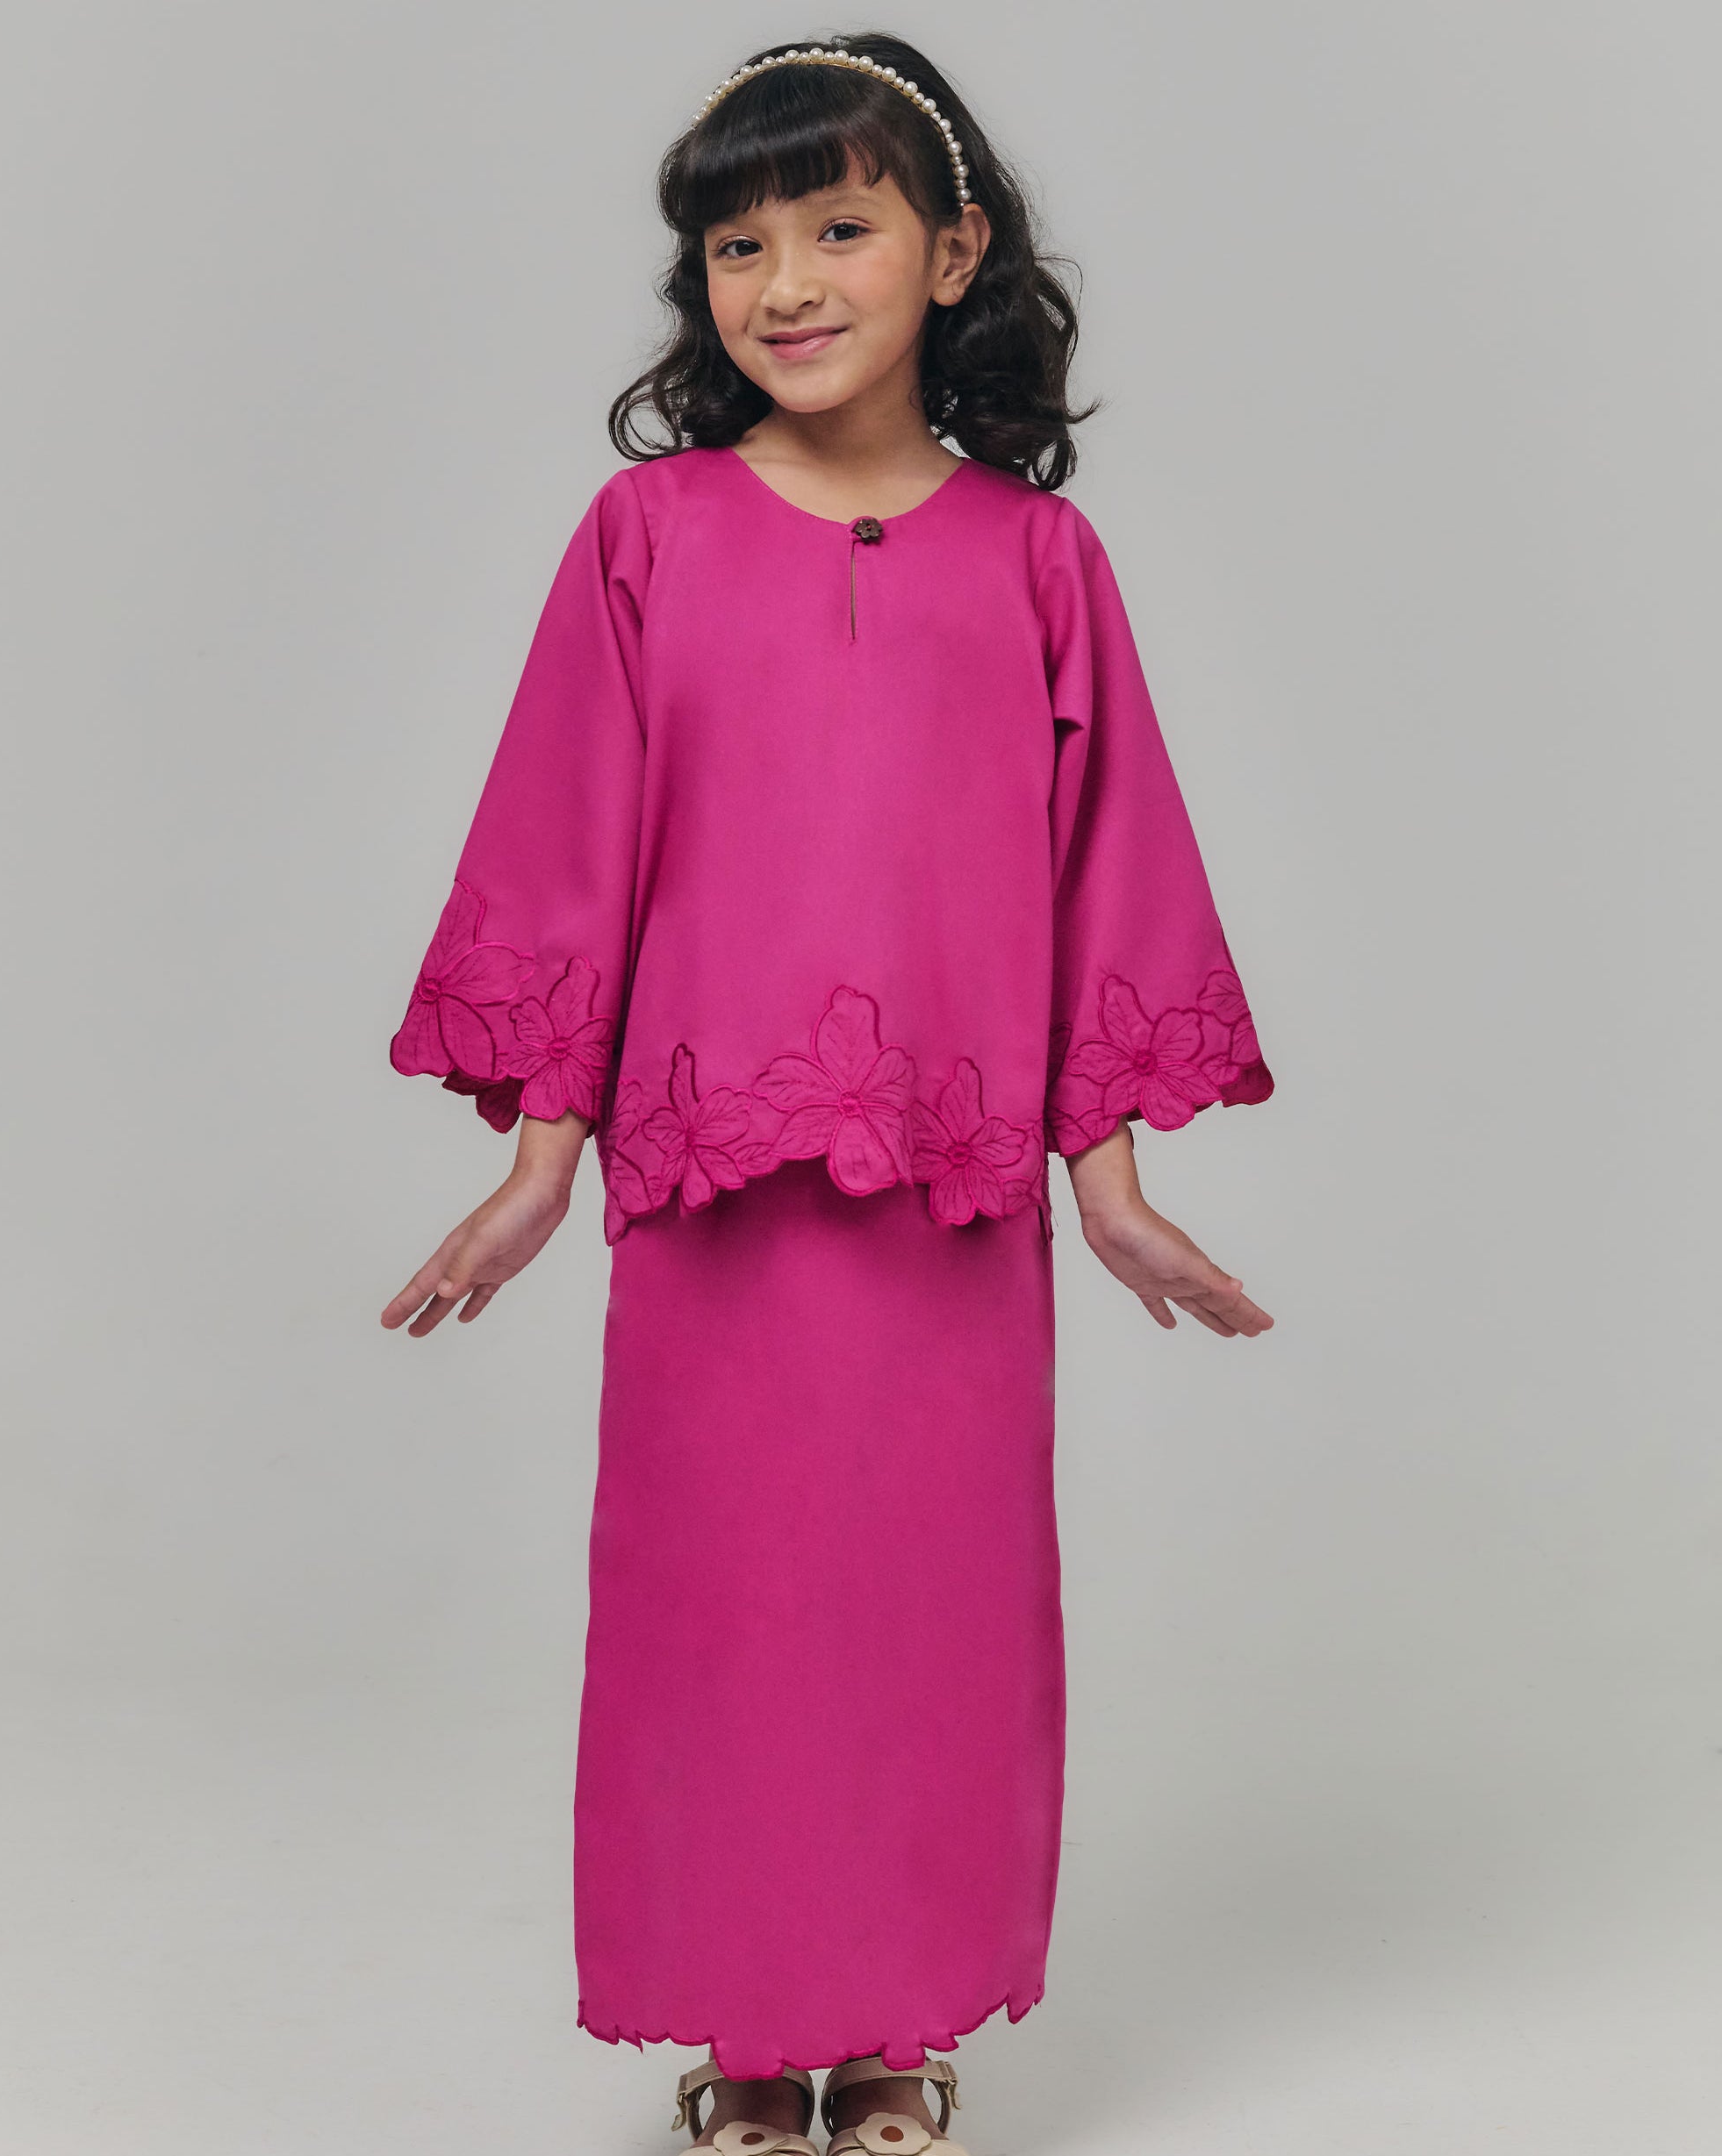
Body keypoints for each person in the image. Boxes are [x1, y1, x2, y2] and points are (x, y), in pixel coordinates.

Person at [380, 32, 1275, 2156]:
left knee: (926, 1622)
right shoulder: (648, 534)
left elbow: (1102, 868)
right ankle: (742, 2027)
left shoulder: (1038, 562)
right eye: (736, 244)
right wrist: (539, 1161)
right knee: (725, 1617)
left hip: (949, 1212)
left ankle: (894, 2026)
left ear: (952, 253)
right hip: (712, 1205)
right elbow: (571, 847)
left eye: (838, 227)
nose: (782, 282)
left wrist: (1110, 1183)